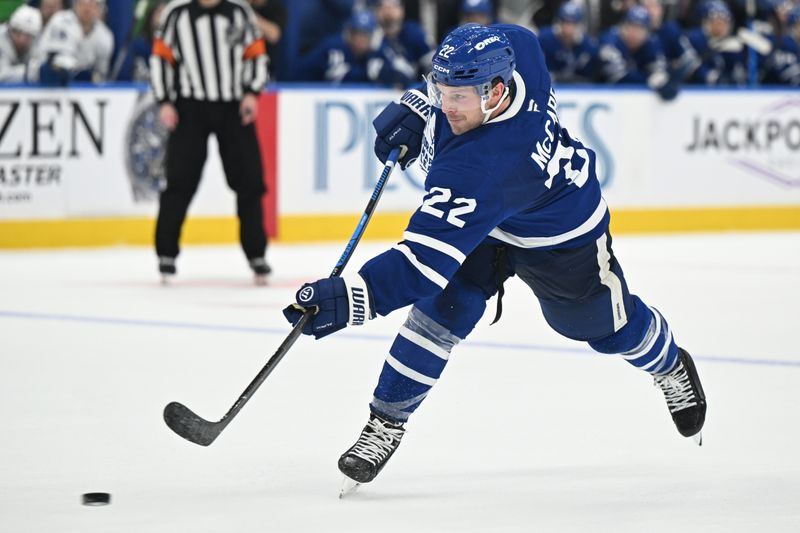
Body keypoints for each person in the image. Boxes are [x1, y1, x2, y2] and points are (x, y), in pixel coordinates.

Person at [283, 23, 707, 491]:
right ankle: (386, 420)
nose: (447, 106)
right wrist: (421, 104)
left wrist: (350, 296)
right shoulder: (518, 52)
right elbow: (502, 38)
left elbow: (420, 265)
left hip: (559, 234)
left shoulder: (483, 166)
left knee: (602, 329)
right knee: (445, 309)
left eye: (458, 97)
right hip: (489, 220)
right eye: (440, 90)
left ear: (496, 90)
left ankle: (669, 363)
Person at [150, 0, 271, 284]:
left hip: (233, 106)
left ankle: (257, 254)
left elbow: (256, 52)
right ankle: (166, 253)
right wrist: (165, 100)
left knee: (250, 181)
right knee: (179, 180)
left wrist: (252, 92)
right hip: (190, 107)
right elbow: (161, 56)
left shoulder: (239, 11)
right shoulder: (176, 13)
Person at [598, 5, 678, 99]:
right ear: (623, 26)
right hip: (604, 95)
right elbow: (619, 78)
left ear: (647, 32)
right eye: (631, 26)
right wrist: (650, 80)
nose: (634, 33)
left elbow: (661, 73)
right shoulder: (610, 41)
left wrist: (663, 82)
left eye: (640, 29)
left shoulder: (651, 43)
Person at [296, 10, 394, 84]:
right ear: (349, 34)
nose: (360, 40)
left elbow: (398, 71)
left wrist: (388, 73)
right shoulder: (335, 46)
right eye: (356, 33)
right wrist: (369, 72)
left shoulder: (376, 49)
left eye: (365, 35)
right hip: (300, 89)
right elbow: (336, 76)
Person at [34, 0, 113, 84]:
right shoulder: (61, 20)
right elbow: (56, 62)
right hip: (44, 78)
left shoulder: (105, 36)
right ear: (75, 5)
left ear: (100, 9)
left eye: (92, 4)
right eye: (83, 3)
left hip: (79, 84)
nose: (87, 8)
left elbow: (101, 73)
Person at [369, 0, 435, 87]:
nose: (388, 12)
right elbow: (372, 70)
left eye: (393, 6)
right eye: (384, 7)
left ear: (402, 10)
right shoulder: (374, 37)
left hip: (417, 89)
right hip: (386, 92)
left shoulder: (415, 33)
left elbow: (433, 64)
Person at [683, 0, 747, 85]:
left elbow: (738, 76)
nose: (723, 26)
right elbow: (694, 70)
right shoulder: (695, 39)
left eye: (725, 22)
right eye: (718, 22)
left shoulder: (731, 45)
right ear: (705, 22)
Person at [537, 1, 599, 84]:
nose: (568, 28)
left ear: (579, 24)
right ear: (558, 22)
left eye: (573, 23)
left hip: (577, 90)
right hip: (550, 85)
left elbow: (591, 77)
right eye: (565, 22)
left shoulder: (588, 46)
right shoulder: (544, 39)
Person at [0, 5, 42, 83]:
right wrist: (27, 72)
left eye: (28, 36)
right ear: (9, 29)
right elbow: (1, 75)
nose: (21, 40)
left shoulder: (37, 43)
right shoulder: (1, 39)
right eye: (17, 32)